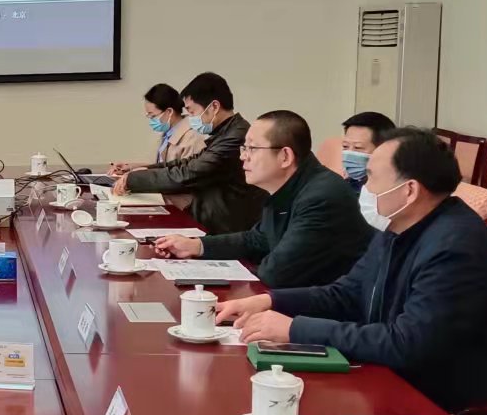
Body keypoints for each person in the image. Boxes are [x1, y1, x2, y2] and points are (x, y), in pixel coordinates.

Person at [219, 128, 487, 413]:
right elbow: (348, 293)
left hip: (481, 412)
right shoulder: (399, 225)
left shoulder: (455, 247)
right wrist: (270, 301)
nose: (362, 186)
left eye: (372, 178)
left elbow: (407, 343)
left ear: (409, 190)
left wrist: (296, 329)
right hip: (418, 386)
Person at [153, 110, 372, 287]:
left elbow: (276, 273)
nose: (243, 156)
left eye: (252, 148)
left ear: (285, 156)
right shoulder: (291, 185)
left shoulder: (321, 197)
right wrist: (196, 246)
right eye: (244, 148)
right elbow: (258, 239)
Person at [115, 72, 266, 234]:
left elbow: (189, 173)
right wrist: (145, 170)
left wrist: (133, 180)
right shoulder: (225, 132)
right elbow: (189, 162)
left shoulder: (236, 136)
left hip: (226, 226)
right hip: (212, 217)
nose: (190, 118)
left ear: (214, 107)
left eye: (192, 112)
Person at [109, 83, 206, 177]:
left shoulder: (192, 138)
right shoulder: (167, 133)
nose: (151, 120)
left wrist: (136, 177)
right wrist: (129, 168)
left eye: (153, 115)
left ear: (169, 112)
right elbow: (159, 167)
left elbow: (183, 176)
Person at [340, 110, 395, 191]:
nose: (349, 154)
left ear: (383, 148)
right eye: (345, 146)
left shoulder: (393, 190)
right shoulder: (342, 186)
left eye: (358, 147)